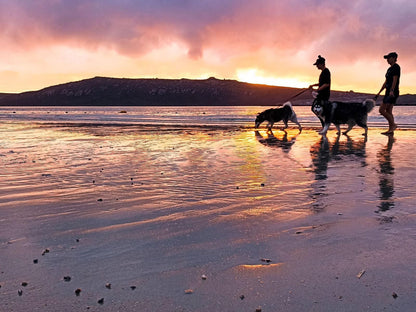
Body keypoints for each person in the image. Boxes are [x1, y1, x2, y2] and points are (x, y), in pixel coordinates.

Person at [375, 52, 400, 135]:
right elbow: (386, 82)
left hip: (392, 92)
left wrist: (392, 90)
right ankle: (391, 130)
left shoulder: (396, 67)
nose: (387, 60)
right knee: (388, 111)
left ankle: (393, 125)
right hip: (388, 92)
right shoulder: (389, 69)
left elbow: (395, 80)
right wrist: (379, 92)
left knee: (381, 110)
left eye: (388, 58)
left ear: (394, 58)